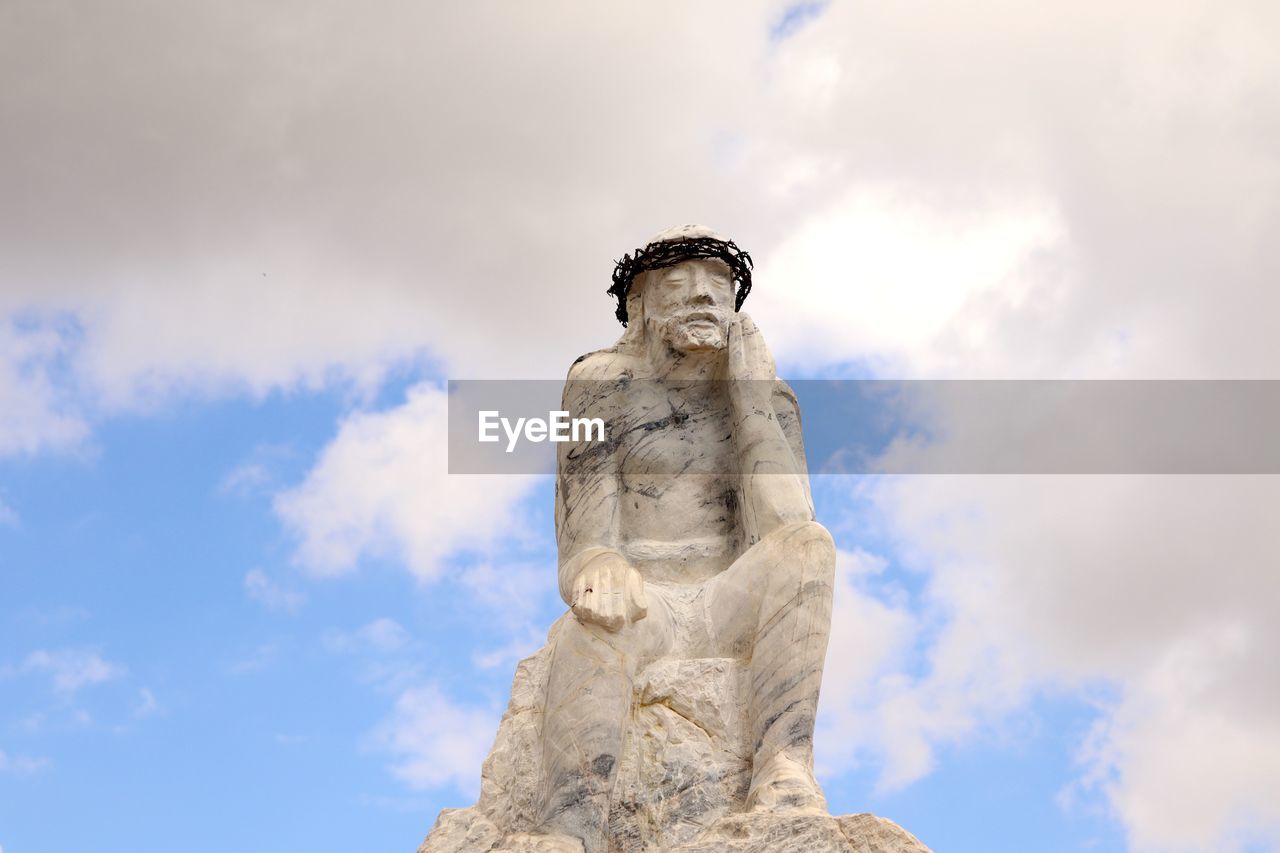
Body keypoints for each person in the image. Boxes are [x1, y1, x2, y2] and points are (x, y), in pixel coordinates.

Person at [519, 225, 836, 852]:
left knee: (811, 547)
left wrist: (749, 398)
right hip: (650, 599)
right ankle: (571, 827)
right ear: (640, 306)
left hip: (728, 600)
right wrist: (602, 563)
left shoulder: (773, 400)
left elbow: (786, 528)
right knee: (593, 625)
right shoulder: (600, 383)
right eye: (678, 285)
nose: (701, 298)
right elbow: (581, 544)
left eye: (717, 287)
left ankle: (783, 769)